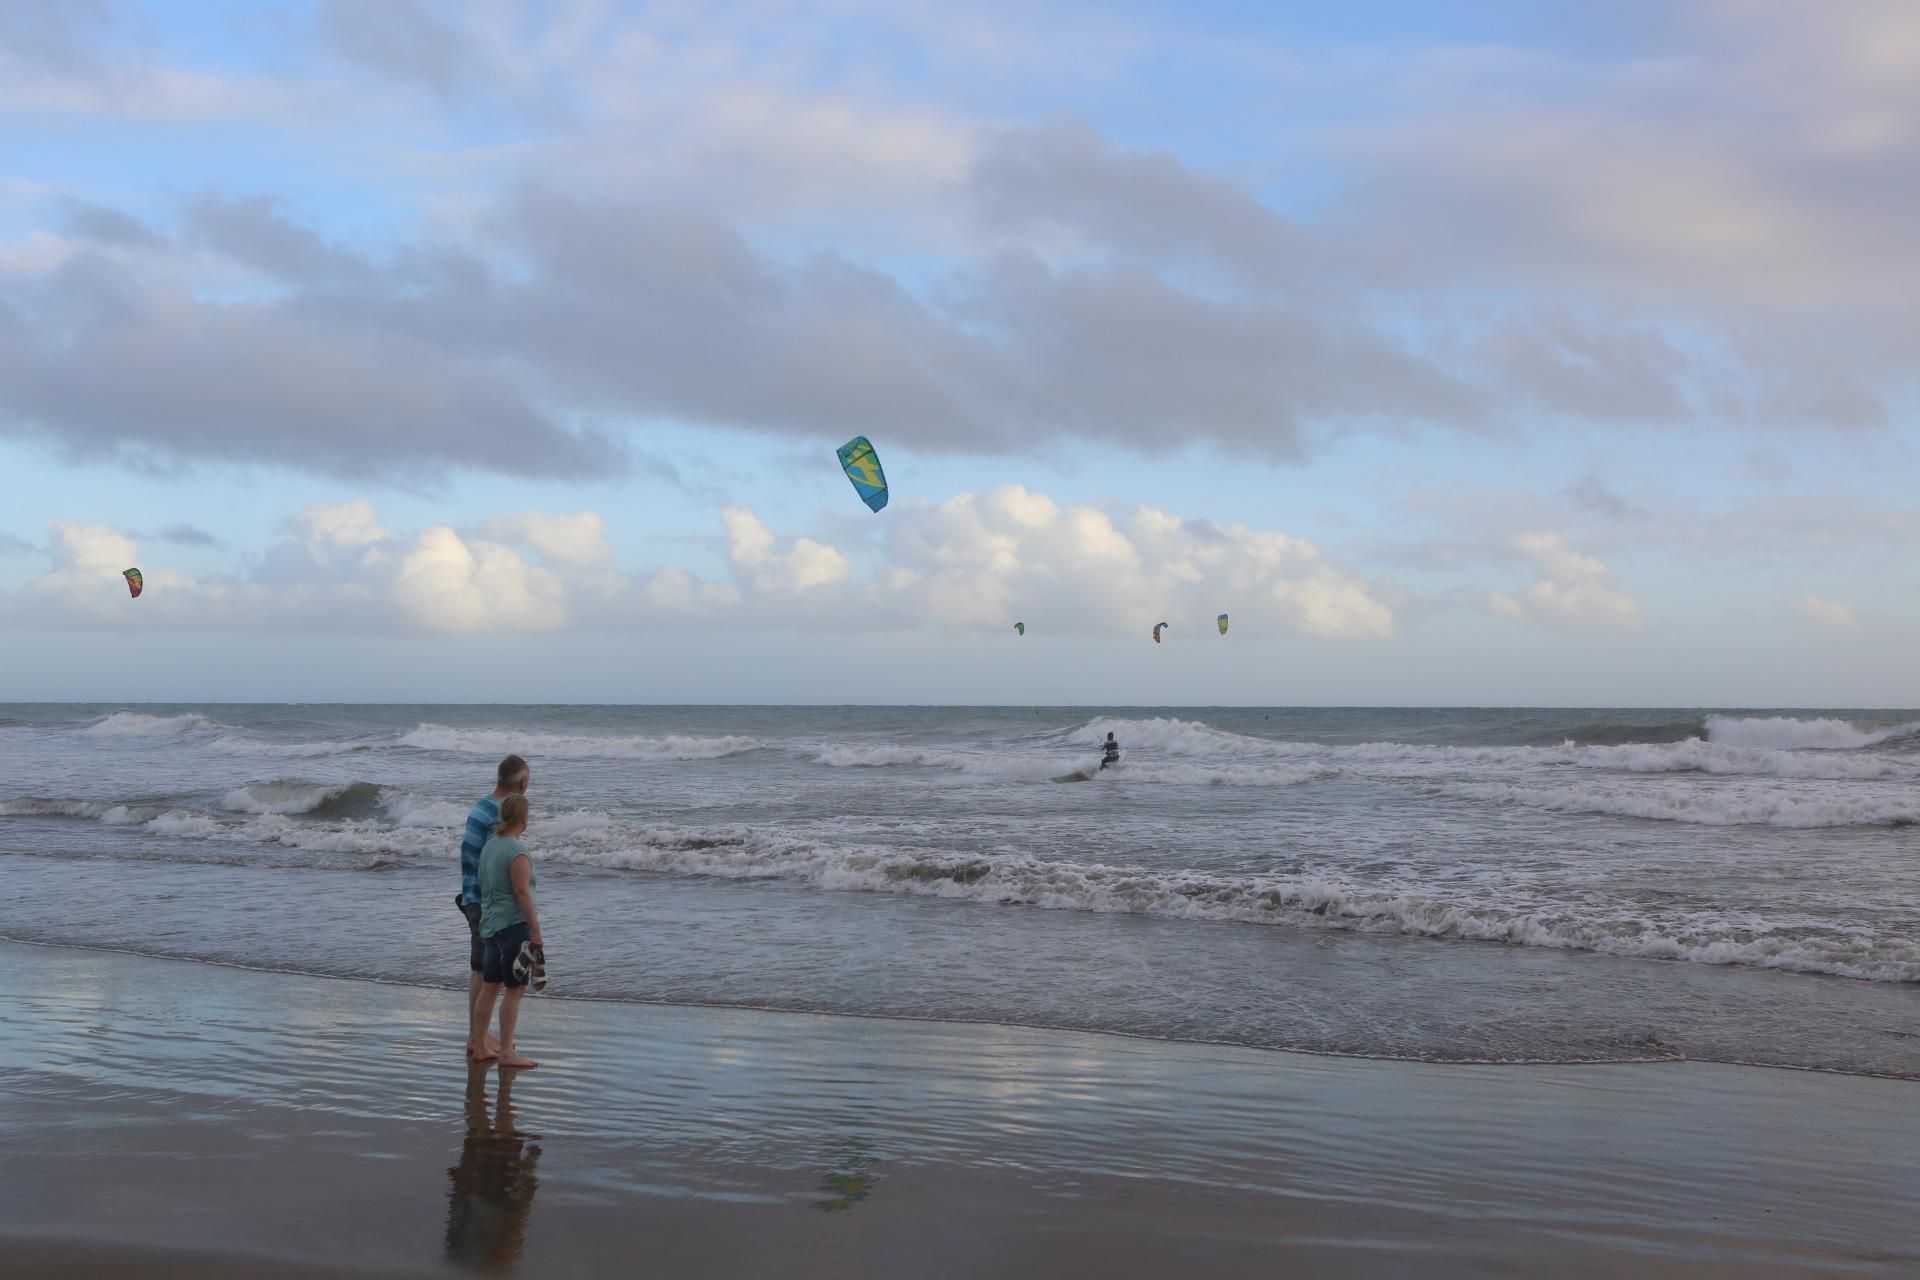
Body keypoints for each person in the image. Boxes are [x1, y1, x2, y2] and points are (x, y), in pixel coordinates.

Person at [462, 754, 529, 1062]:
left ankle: (478, 1037)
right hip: (485, 901)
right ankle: (477, 1040)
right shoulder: (497, 814)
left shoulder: (482, 805)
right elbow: (499, 862)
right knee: (484, 973)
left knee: (481, 970)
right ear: (522, 783)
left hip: (473, 894)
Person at [473, 794, 544, 1070]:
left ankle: (480, 1046)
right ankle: (506, 1052)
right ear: (524, 820)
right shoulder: (517, 852)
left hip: (489, 925)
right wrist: (535, 931)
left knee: (490, 986)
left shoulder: (490, 847)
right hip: (512, 927)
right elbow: (521, 893)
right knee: (515, 989)